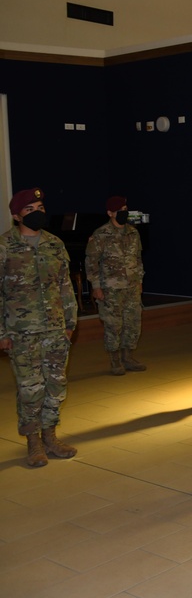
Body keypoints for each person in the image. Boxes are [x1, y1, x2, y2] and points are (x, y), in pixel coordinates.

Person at [0, 188, 78, 467]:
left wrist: (70, 323)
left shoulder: (55, 244)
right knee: (30, 388)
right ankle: (33, 442)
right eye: (30, 209)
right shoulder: (5, 246)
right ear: (16, 215)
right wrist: (2, 333)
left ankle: (51, 437)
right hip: (21, 332)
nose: (37, 213)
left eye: (40, 207)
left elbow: (65, 286)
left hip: (56, 328)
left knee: (56, 385)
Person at [85, 195, 146, 375]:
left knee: (133, 323)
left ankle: (128, 357)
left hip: (132, 286)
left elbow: (138, 260)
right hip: (110, 288)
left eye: (126, 210)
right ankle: (115, 361)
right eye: (120, 211)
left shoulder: (133, 233)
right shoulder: (100, 234)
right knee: (113, 325)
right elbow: (91, 262)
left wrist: (140, 281)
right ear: (110, 213)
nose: (124, 213)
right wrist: (96, 286)